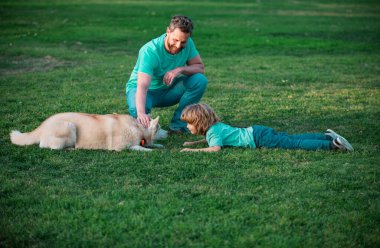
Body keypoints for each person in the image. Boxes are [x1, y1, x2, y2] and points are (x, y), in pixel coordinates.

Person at [126, 15, 208, 133]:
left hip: (168, 90)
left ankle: (179, 124)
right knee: (138, 111)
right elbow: (143, 85)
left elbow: (200, 67)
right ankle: (145, 123)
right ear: (168, 31)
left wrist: (179, 70)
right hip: (144, 91)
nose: (178, 45)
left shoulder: (188, 43)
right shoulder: (150, 51)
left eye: (183, 42)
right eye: (175, 40)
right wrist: (141, 113)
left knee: (199, 80)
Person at [180, 103, 354, 152]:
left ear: (200, 123)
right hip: (257, 131)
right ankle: (326, 137)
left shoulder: (214, 133)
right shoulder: (214, 128)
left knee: (294, 144)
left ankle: (332, 145)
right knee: (291, 138)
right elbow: (213, 139)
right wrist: (193, 142)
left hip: (259, 139)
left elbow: (215, 148)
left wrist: (192, 151)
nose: (187, 126)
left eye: (189, 123)